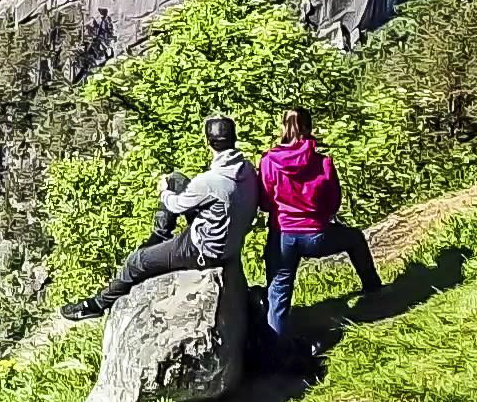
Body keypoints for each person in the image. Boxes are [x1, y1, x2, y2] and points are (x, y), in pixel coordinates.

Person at [61, 113, 262, 317]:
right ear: (234, 139)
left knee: (136, 262)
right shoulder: (247, 169)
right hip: (227, 236)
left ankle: (95, 305)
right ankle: (159, 238)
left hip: (203, 250)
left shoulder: (209, 182)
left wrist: (164, 192)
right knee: (176, 179)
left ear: (207, 142)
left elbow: (176, 206)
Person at [255, 104, 385, 340]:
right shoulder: (323, 163)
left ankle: (276, 348)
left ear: (283, 127)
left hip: (282, 236)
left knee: (279, 291)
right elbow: (333, 204)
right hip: (317, 236)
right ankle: (373, 288)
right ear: (310, 127)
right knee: (354, 238)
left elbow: (264, 203)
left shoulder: (268, 162)